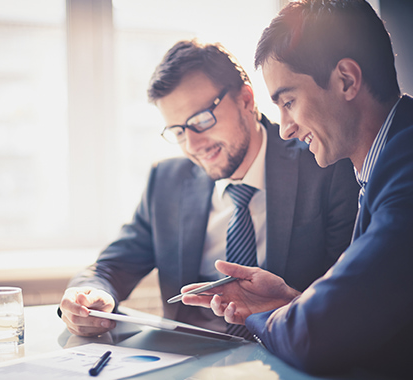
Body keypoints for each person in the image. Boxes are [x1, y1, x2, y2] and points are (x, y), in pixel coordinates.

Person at [59, 39, 359, 340]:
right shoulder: (166, 181)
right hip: (187, 362)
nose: (192, 145)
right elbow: (111, 266)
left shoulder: (324, 165)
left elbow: (347, 299)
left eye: (201, 120)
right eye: (178, 131)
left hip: (284, 354)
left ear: (245, 99)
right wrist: (87, 296)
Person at [181, 0, 413, 377]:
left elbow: (315, 336)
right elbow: (371, 314)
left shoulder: (406, 170)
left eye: (288, 101)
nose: (285, 128)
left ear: (347, 81)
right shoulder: (385, 164)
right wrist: (292, 301)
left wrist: (267, 315)